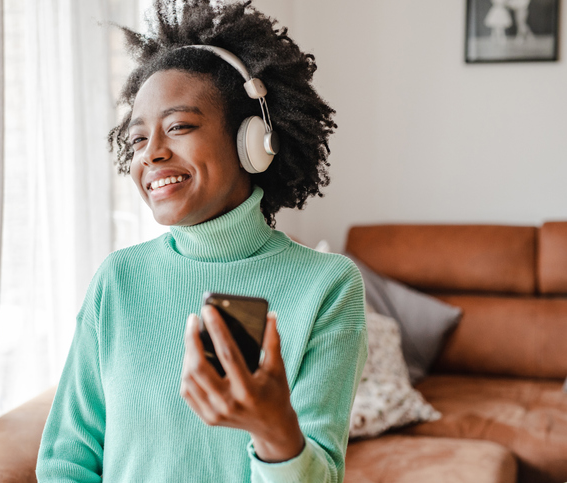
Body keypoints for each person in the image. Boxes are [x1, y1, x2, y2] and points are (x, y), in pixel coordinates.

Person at [36, 1, 367, 481]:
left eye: (179, 127)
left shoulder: (329, 286)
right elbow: (66, 460)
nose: (151, 154)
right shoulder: (119, 279)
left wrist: (275, 431)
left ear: (253, 141)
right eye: (136, 140)